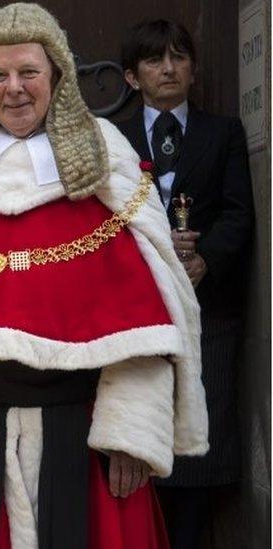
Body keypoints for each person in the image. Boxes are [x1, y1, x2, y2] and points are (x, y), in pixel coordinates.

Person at [0, 4, 208, 548]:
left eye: (29, 72)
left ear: (56, 79)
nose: (15, 88)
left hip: (87, 431)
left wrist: (131, 430)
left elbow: (151, 314)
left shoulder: (106, 165)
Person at [117, 19, 254, 549]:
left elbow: (240, 214)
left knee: (200, 451)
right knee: (139, 440)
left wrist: (206, 263)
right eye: (154, 60)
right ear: (132, 77)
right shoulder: (115, 141)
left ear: (194, 69)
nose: (168, 69)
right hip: (139, 314)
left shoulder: (224, 134)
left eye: (178, 58)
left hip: (208, 315)